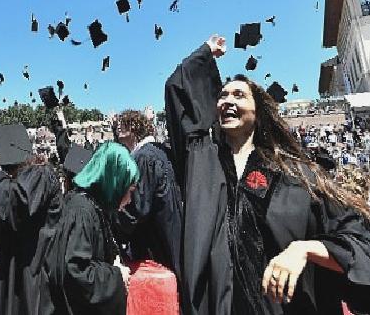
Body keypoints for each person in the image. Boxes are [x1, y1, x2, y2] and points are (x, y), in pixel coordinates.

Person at [166, 35, 370, 315]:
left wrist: (305, 249)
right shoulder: (202, 163)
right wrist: (205, 54)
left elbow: (358, 243)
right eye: (222, 95)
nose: (226, 100)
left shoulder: (295, 174)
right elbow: (178, 95)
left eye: (239, 95)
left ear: (259, 112)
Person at [46, 141, 138, 315]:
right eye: (130, 190)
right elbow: (75, 273)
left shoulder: (90, 206)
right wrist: (117, 276)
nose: (130, 199)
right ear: (114, 183)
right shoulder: (81, 212)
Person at [0, 123, 63, 315]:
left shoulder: (40, 174)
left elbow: (18, 204)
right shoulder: (19, 179)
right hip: (10, 273)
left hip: (32, 274)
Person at [113, 110, 183, 281]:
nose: (117, 127)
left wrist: (111, 224)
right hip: (165, 236)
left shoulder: (145, 157)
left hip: (154, 246)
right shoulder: (155, 152)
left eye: (123, 122)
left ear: (135, 127)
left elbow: (137, 207)